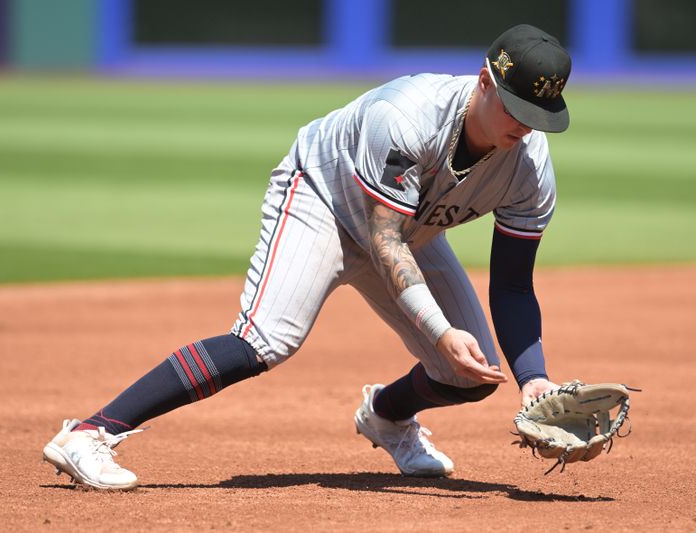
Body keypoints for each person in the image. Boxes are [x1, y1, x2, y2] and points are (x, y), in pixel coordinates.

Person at [43, 24, 570, 490]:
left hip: (408, 232)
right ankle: (91, 433)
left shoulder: (529, 165)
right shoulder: (407, 115)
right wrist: (439, 331)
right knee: (264, 341)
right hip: (324, 201)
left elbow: (513, 285)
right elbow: (383, 240)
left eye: (539, 115)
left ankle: (386, 417)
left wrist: (535, 380)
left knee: (472, 375)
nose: (525, 126)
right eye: (517, 108)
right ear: (483, 80)